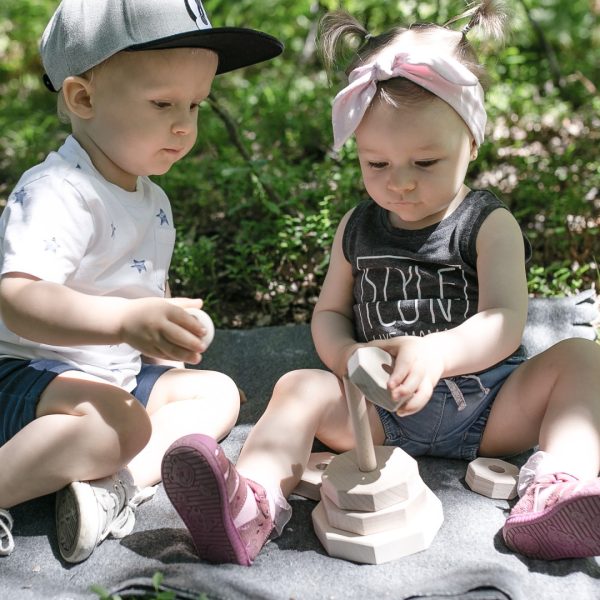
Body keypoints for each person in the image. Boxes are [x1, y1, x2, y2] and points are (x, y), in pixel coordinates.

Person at [160, 1, 600, 566]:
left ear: (472, 141)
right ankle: (250, 503)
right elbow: (329, 313)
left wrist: (437, 354)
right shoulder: (357, 227)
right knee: (299, 385)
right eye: (377, 164)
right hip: (378, 416)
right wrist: (347, 358)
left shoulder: (489, 225)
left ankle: (555, 490)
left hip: (490, 406)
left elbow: (504, 320)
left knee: (583, 359)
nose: (401, 184)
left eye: (425, 163)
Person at [0, 0, 283, 563]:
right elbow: (18, 298)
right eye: (162, 103)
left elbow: (133, 289)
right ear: (83, 98)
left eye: (196, 105)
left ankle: (111, 488)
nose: (184, 125)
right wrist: (127, 322)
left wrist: (164, 331)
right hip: (24, 377)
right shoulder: (58, 189)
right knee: (119, 425)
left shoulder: (150, 197)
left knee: (218, 393)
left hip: (110, 376)